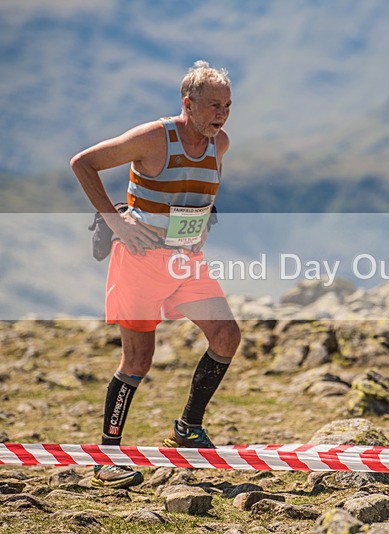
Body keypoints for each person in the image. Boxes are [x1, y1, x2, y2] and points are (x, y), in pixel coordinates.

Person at [70, 60, 241, 488]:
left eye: (228, 105)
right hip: (141, 261)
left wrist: (204, 221)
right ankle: (107, 455)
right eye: (214, 105)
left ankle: (187, 430)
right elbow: (83, 163)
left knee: (226, 337)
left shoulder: (219, 145)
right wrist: (115, 221)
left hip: (185, 261)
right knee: (138, 360)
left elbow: (193, 193)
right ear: (189, 103)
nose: (222, 113)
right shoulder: (153, 137)